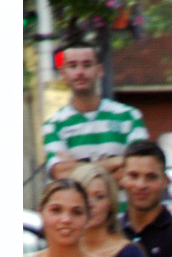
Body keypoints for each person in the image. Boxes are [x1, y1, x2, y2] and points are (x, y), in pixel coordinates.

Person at [41, 44, 148, 180]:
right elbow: (60, 173)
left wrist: (76, 169)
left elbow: (139, 166)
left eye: (87, 65)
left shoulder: (129, 116)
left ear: (100, 70)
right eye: (73, 66)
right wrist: (117, 161)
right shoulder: (53, 126)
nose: (80, 72)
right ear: (63, 74)